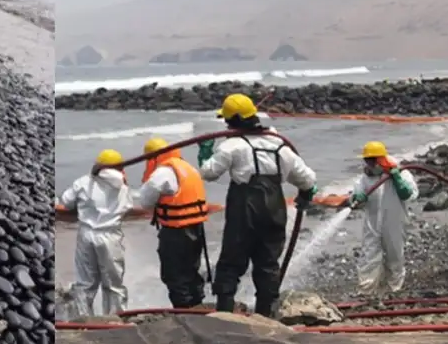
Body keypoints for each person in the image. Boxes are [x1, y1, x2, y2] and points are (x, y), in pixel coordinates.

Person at [196, 93, 318, 317]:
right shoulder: (280, 145)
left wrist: (205, 151)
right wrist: (306, 195)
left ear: (233, 121)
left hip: (244, 211)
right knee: (268, 263)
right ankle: (265, 315)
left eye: (227, 120)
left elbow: (209, 173)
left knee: (231, 262)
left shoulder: (232, 146)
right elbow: (308, 180)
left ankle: (224, 314)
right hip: (274, 209)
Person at [58, 148, 135, 315]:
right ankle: (115, 317)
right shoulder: (123, 187)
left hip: (86, 234)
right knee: (113, 283)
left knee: (85, 282)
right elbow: (130, 206)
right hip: (110, 235)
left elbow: (66, 201)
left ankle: (84, 318)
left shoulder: (83, 182)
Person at [138, 137, 210, 308]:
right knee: (191, 271)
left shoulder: (163, 172)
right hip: (196, 227)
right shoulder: (187, 167)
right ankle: (197, 306)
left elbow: (145, 201)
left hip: (176, 231)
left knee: (175, 275)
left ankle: (184, 312)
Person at [347, 141, 419, 294]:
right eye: (367, 160)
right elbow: (356, 198)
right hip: (372, 224)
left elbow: (410, 194)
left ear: (381, 159)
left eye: (372, 160)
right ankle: (366, 290)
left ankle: (394, 289)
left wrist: (398, 180)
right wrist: (356, 198)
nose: (370, 164)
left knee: (395, 256)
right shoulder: (364, 178)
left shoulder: (400, 173)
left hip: (394, 222)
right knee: (368, 257)